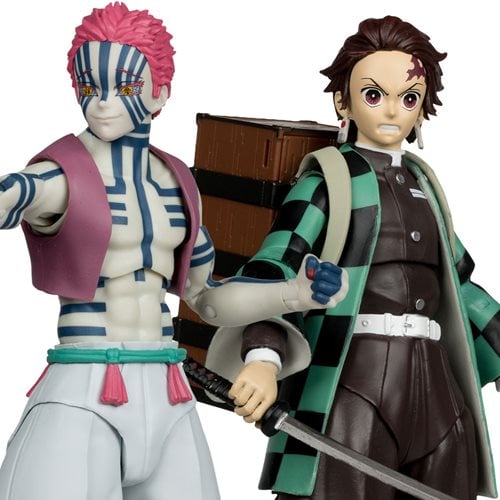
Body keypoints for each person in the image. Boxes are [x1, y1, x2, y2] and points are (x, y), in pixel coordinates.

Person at [0, 4, 348, 500]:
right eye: (89, 86)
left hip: (167, 392)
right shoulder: (58, 177)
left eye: (124, 88)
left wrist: (294, 293)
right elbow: (14, 194)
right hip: (83, 388)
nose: (102, 104)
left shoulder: (177, 184)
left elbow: (208, 299)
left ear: (160, 92)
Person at [206, 15, 499, 500]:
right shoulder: (328, 180)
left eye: (409, 98)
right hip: (350, 382)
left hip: (437, 390)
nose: (393, 110)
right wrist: (262, 356)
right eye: (374, 94)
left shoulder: (425, 186)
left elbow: (459, 283)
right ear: (343, 102)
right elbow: (276, 265)